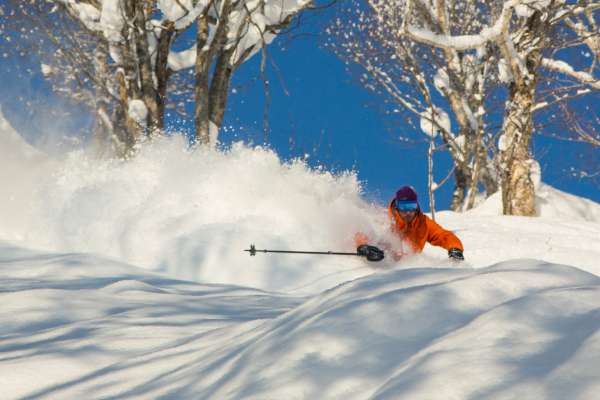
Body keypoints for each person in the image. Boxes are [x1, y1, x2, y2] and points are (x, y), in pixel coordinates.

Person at [355, 186, 464, 261]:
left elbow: (443, 235)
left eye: (411, 206)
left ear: (416, 206)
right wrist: (364, 247)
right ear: (397, 207)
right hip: (381, 269)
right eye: (404, 207)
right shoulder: (386, 219)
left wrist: (455, 248)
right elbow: (362, 231)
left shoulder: (423, 223)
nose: (408, 212)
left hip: (409, 274)